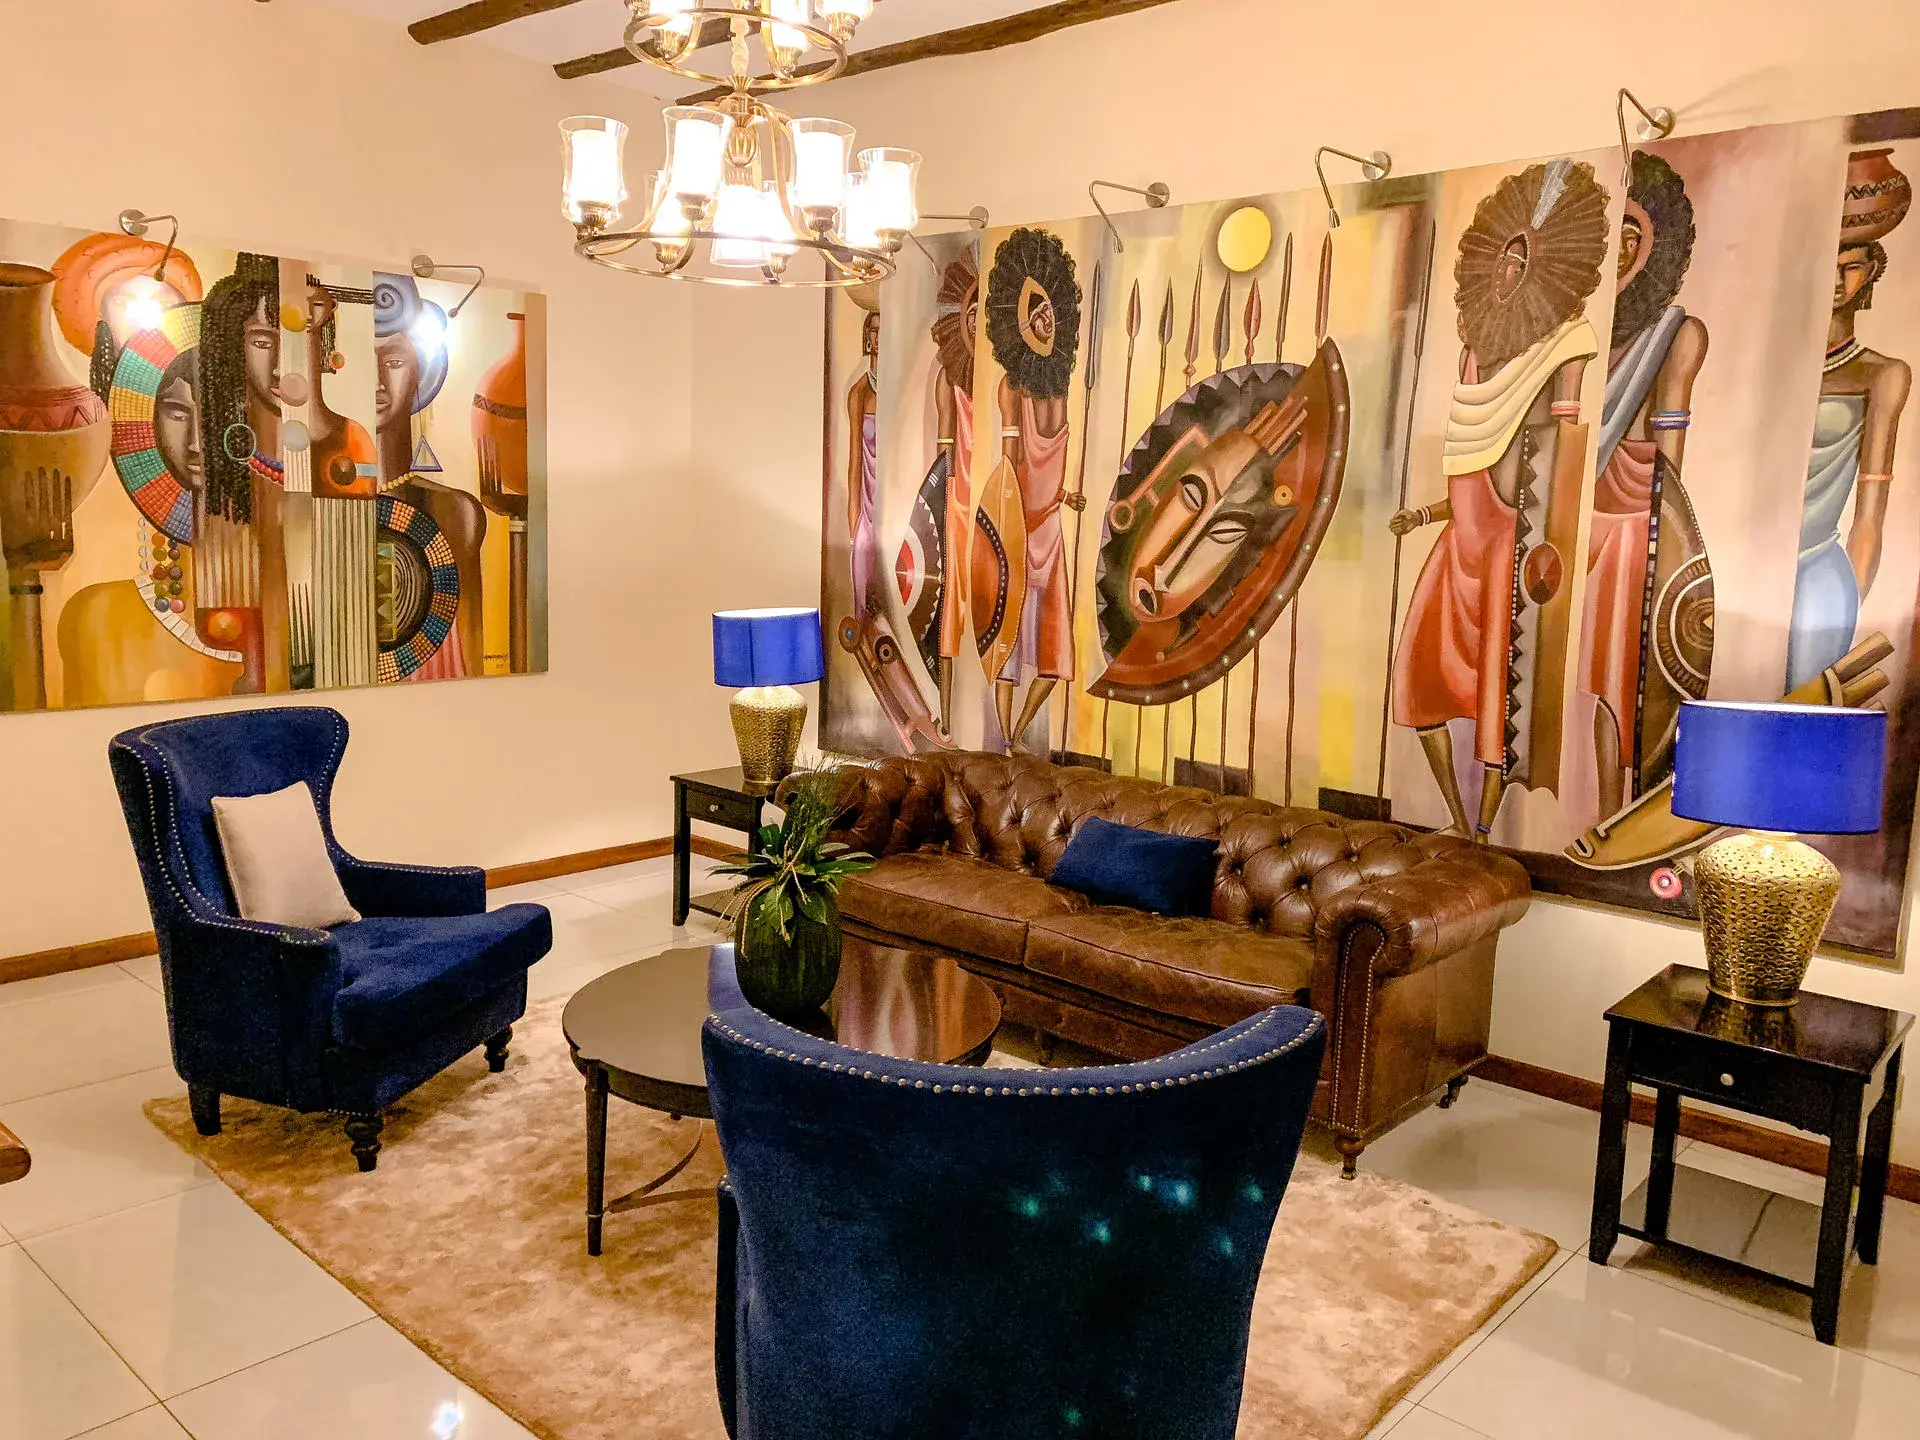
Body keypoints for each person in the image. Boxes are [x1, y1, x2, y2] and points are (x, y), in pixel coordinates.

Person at [1389, 159, 1609, 839]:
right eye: (1500, 258)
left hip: (1508, 555)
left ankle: (1481, 834)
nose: (1505, 270)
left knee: (1497, 707)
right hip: (1456, 548)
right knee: (1416, 682)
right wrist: (1423, 514)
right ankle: (1457, 821)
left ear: (1540, 272)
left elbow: (1556, 461)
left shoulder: (1563, 348)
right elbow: (1469, 478)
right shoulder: (1473, 354)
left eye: (1520, 260)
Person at [1578, 152, 1710, 817]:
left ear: (1654, 247)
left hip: (1632, 521)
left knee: (1619, 678)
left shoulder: (1675, 334)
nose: (1618, 254)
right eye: (1607, 240)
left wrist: (1663, 540)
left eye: (1631, 237)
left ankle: (1614, 816)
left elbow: (1669, 464)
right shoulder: (1573, 339)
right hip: (1564, 520)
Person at [1786, 148, 1912, 690]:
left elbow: (1870, 512)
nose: (1838, 280)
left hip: (1820, 575)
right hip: (1750, 568)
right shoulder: (1778, 369)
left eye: (1853, 265)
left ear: (1872, 271)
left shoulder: (1882, 374)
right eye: (1829, 265)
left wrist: (1851, 596)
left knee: (1807, 711)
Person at [982, 226, 1083, 753]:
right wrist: (1009, 528)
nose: (1044, 318)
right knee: (1009, 640)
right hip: (1019, 534)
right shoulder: (1011, 388)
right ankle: (1006, 739)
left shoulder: (1062, 387)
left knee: (1053, 653)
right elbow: (1011, 467)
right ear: (1016, 327)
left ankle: (1016, 733)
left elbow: (1048, 470)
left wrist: (1063, 498)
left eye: (1047, 306)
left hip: (1052, 532)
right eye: (1032, 311)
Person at [372, 272, 485, 680]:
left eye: (394, 362)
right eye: (362, 362)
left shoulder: (456, 512)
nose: (377, 381)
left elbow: (474, 655)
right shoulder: (315, 510)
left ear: (422, 372)